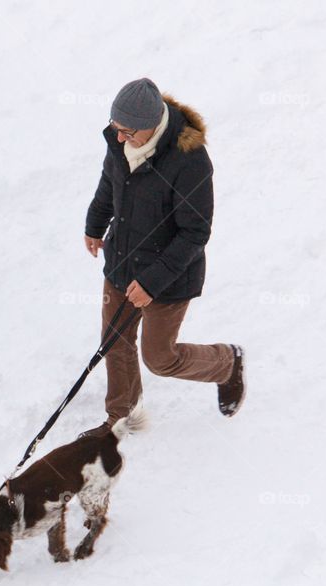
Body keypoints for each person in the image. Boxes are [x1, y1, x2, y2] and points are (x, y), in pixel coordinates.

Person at [81, 78, 245, 435]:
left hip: (168, 278)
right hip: (122, 262)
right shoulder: (120, 141)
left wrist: (152, 282)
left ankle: (226, 363)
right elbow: (110, 182)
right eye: (115, 129)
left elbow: (195, 233)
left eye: (126, 131)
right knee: (115, 342)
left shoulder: (189, 161)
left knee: (160, 359)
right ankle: (122, 417)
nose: (119, 138)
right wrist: (95, 223)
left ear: (151, 125)